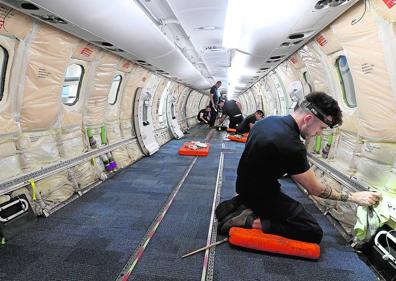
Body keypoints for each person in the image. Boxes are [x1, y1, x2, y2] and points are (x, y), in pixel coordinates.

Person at [215, 92, 381, 244]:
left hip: (244, 185)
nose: (319, 134)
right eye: (321, 128)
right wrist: (354, 197)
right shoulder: (292, 145)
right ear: (308, 119)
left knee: (282, 203)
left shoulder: (266, 122)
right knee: (312, 231)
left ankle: (242, 202)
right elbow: (315, 189)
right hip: (263, 194)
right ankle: (248, 220)